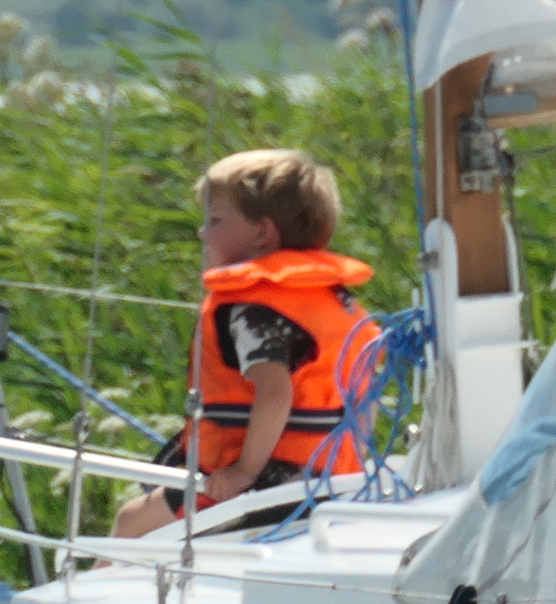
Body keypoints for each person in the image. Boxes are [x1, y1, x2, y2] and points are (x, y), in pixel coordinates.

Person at [115, 148, 375, 536]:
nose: (202, 232)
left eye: (215, 220)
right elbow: (363, 402)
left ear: (261, 233)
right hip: (328, 480)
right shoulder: (334, 302)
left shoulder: (250, 311)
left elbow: (274, 393)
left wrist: (243, 472)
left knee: (131, 521)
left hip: (266, 483)